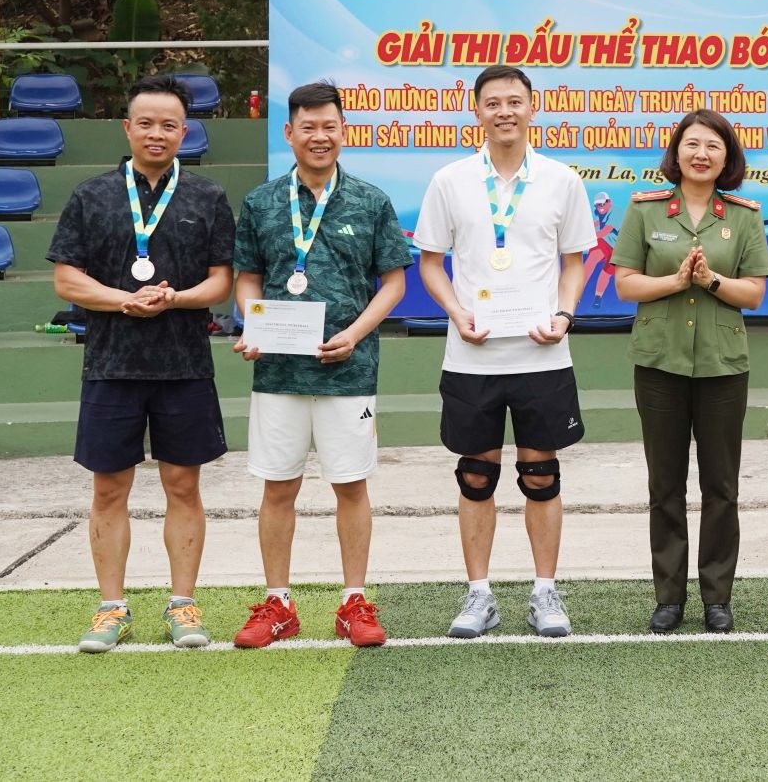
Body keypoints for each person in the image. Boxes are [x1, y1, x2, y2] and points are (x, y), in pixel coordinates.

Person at [47, 74, 234, 652]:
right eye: (146, 123)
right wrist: (123, 300)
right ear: (127, 128)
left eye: (169, 125)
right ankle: (111, 608)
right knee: (109, 490)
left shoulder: (207, 197)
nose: (157, 133)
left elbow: (222, 283)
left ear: (185, 131)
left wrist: (175, 299)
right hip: (111, 365)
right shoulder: (91, 196)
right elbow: (66, 280)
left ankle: (183, 604)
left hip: (184, 365)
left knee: (184, 486)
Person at [413, 64, 596, 638]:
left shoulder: (562, 180)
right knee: (475, 475)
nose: (504, 112)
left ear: (532, 108)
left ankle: (545, 592)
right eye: (493, 103)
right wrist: (456, 311)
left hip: (542, 356)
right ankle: (479, 595)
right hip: (473, 356)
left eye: (514, 101)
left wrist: (564, 315)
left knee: (541, 474)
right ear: (477, 112)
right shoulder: (450, 180)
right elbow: (430, 263)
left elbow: (575, 262)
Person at [228, 81, 412, 648]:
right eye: (308, 127)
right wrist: (252, 326)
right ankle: (278, 604)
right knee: (278, 488)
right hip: (278, 373)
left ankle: (353, 601)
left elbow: (393, 284)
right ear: (289, 133)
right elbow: (247, 279)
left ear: (343, 131)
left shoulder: (371, 201)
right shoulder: (261, 202)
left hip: (349, 373)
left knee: (350, 486)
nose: (319, 136)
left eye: (329, 126)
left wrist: (354, 334)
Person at [610, 109, 768, 634]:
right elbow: (625, 284)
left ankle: (717, 598)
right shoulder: (645, 209)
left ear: (727, 158)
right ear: (676, 152)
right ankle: (669, 598)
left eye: (713, 146)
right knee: (665, 485)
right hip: (660, 363)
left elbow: (755, 293)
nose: (702, 154)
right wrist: (677, 282)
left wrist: (711, 281)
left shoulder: (743, 216)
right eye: (692, 144)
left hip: (723, 366)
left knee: (722, 486)